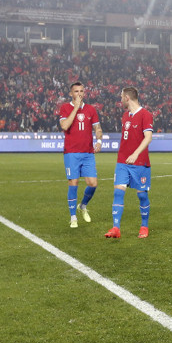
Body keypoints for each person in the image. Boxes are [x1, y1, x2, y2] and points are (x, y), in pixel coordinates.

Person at [104, 87, 154, 239]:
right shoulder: (125, 116)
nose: (120, 100)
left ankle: (144, 226)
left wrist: (135, 153)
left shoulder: (146, 115)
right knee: (118, 191)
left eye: (121, 96)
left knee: (142, 196)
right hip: (122, 161)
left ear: (127, 97)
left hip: (140, 162)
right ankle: (116, 228)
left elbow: (148, 137)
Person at [58, 82, 103, 228]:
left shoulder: (91, 109)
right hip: (71, 152)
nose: (79, 93)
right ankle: (73, 217)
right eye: (76, 91)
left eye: (82, 91)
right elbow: (64, 126)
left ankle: (82, 205)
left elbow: (97, 128)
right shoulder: (65, 107)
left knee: (93, 184)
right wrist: (76, 107)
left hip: (88, 153)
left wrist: (99, 141)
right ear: (71, 94)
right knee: (73, 183)